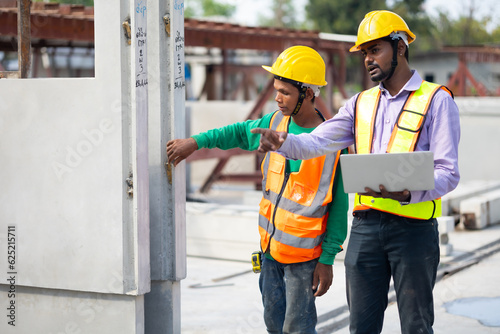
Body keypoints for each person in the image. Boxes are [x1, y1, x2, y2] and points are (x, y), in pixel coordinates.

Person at [251, 10, 460, 334]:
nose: (367, 60)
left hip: (414, 231)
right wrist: (283, 140)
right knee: (360, 327)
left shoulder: (436, 100)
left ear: (400, 48)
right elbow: (317, 142)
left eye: (375, 50)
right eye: (364, 53)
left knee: (416, 325)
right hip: (365, 229)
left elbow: (448, 172)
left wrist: (407, 192)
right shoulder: (359, 104)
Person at [167, 45, 348, 333]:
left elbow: (339, 207)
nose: (277, 98)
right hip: (269, 254)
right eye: (276, 89)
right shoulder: (274, 123)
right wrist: (196, 142)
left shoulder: (331, 144)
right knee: (273, 326)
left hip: (303, 262)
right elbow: (237, 133)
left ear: (309, 93)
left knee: (297, 329)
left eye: (285, 92)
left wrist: (327, 260)